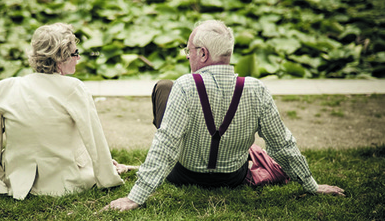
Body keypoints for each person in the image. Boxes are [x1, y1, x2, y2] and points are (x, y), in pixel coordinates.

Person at [105, 20, 345, 211]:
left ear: (202, 53)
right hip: (233, 177)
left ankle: (140, 169)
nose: (187, 55)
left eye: (189, 51)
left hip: (184, 174)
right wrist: (311, 185)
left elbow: (165, 144)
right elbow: (282, 143)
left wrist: (135, 197)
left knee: (163, 87)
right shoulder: (256, 88)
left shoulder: (184, 86)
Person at [0, 23, 131, 200]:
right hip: (65, 182)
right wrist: (108, 175)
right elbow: (94, 138)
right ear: (61, 57)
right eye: (75, 53)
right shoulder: (74, 88)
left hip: (17, 180)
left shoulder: (4, 87)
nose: (79, 57)